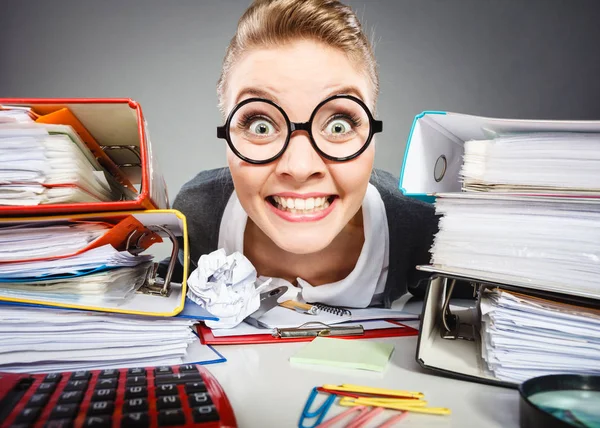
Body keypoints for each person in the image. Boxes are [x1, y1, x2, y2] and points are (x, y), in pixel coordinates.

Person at [171, 0, 438, 308]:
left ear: (371, 130)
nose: (299, 167)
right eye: (260, 126)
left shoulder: (426, 231)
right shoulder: (197, 219)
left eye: (339, 126)